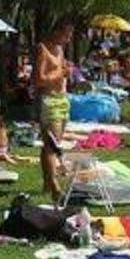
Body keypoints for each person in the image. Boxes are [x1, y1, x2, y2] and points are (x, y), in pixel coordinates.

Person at [35, 20, 73, 202]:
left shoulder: (60, 49)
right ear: (57, 31)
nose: (69, 39)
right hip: (49, 100)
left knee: (51, 144)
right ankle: (55, 186)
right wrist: (60, 74)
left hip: (62, 98)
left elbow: (60, 71)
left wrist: (66, 71)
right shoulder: (43, 49)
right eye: (66, 34)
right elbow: (39, 79)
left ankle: (47, 182)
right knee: (52, 144)